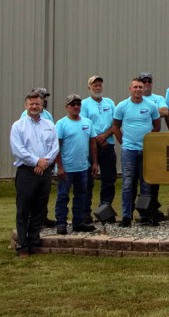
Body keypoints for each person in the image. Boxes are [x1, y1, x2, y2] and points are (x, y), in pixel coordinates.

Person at [11, 91, 60, 256]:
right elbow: (18, 149)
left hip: (45, 171)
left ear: (41, 106)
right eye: (31, 104)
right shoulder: (18, 126)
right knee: (24, 209)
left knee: (40, 208)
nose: (34, 106)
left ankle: (33, 240)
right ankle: (22, 246)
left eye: (37, 104)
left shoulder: (49, 124)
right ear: (26, 106)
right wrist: (36, 161)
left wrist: (45, 162)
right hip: (26, 171)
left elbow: (54, 147)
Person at [112, 78, 162, 227]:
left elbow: (157, 126)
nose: (138, 90)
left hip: (146, 150)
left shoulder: (151, 106)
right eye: (135, 87)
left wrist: (147, 141)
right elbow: (115, 126)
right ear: (130, 89)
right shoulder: (122, 106)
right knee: (127, 183)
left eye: (140, 87)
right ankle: (126, 216)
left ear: (144, 88)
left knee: (146, 183)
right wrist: (124, 142)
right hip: (129, 150)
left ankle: (145, 215)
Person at [53, 94, 98, 235]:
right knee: (63, 196)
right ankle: (61, 222)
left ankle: (78, 222)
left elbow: (93, 142)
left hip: (83, 167)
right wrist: (59, 166)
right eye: (73, 104)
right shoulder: (61, 124)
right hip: (66, 168)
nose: (76, 107)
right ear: (67, 107)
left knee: (81, 195)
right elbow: (56, 146)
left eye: (78, 104)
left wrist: (95, 162)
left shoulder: (87, 122)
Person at [80, 75, 118, 219]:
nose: (98, 87)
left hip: (108, 144)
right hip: (91, 145)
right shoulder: (84, 104)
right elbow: (84, 124)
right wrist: (97, 137)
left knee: (109, 179)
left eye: (100, 84)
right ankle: (85, 213)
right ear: (89, 87)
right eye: (94, 85)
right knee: (88, 179)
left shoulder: (109, 102)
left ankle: (105, 210)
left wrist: (105, 135)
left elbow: (115, 123)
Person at [139, 73, 169, 213]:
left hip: (153, 144)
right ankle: (141, 209)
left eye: (149, 81)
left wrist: (145, 111)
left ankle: (153, 208)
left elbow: (165, 111)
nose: (146, 84)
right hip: (137, 144)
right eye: (143, 81)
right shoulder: (134, 99)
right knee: (137, 179)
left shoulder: (158, 98)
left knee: (154, 177)